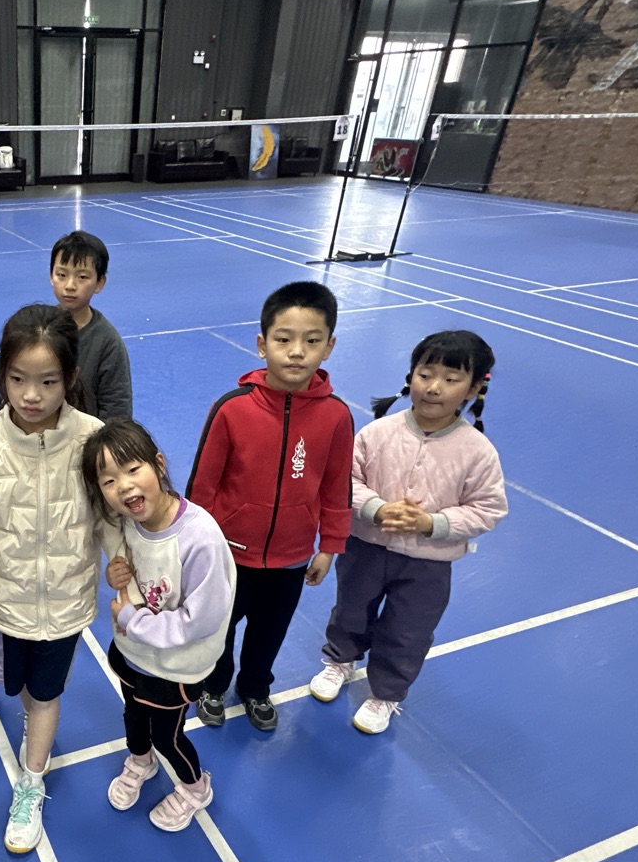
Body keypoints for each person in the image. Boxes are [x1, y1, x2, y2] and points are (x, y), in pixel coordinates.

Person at [0, 305, 110, 856]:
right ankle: (32, 718)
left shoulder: (92, 439)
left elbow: (113, 517)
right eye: (18, 379)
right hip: (6, 604)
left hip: (67, 604)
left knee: (46, 694)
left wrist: (129, 573)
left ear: (70, 378)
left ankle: (31, 780)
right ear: (2, 375)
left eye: (48, 382)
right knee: (14, 684)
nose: (31, 395)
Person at [309, 330, 508, 734]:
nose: (434, 388)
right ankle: (339, 661)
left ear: (473, 389)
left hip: (427, 565)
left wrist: (431, 523)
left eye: (451, 379)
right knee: (350, 609)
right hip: (365, 547)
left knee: (408, 630)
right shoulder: (377, 433)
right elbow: (345, 480)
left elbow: (488, 509)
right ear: (410, 376)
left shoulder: (478, 451)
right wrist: (377, 509)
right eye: (425, 374)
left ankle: (386, 693)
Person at [187, 281, 353, 732]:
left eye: (312, 341)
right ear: (262, 345)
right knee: (218, 629)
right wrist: (195, 547)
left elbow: (337, 487)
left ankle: (255, 687)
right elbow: (202, 486)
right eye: (284, 339)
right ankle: (213, 684)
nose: (297, 352)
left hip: (291, 558)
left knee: (269, 633)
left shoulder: (337, 416)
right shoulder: (231, 409)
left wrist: (329, 546)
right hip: (228, 554)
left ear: (329, 347)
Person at [84, 419, 236, 833]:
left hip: (175, 667)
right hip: (135, 654)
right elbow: (130, 567)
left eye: (133, 469)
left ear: (159, 464)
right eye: (109, 481)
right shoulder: (128, 522)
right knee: (133, 716)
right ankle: (141, 760)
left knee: (168, 736)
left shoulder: (200, 538)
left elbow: (200, 620)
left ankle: (196, 787)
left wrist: (132, 619)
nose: (124, 486)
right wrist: (116, 574)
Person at [48, 230, 131, 421]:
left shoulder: (108, 342)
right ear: (51, 275)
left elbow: (117, 409)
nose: (70, 285)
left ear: (99, 282)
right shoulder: (37, 328)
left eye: (82, 277)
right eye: (61, 274)